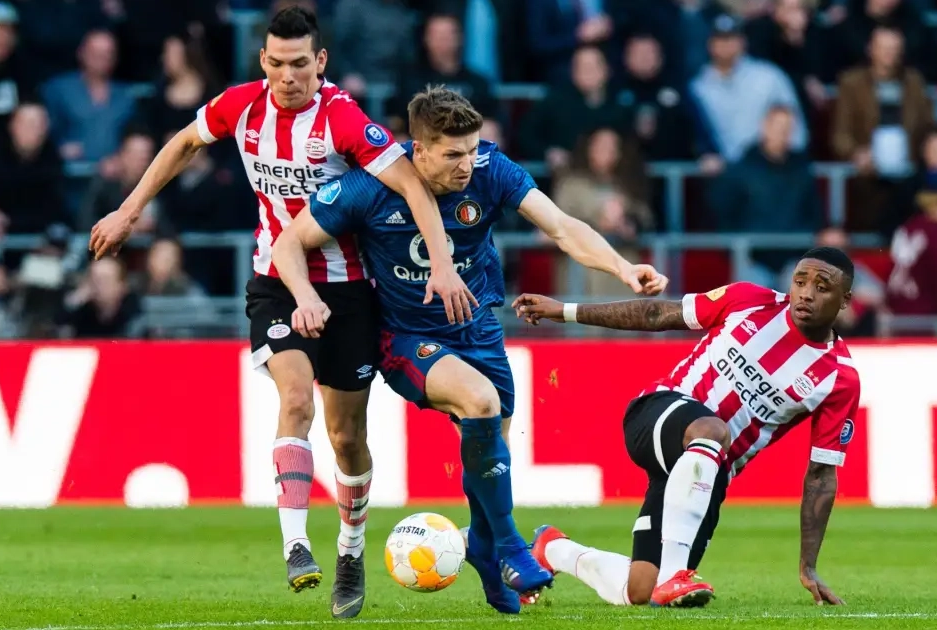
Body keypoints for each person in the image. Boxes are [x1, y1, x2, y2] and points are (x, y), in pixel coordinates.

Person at [86, 6, 475, 619]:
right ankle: (296, 546)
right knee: (294, 399)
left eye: (299, 64)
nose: (287, 76)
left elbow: (411, 184)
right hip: (276, 282)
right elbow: (184, 142)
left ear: (320, 62)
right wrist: (130, 209)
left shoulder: (343, 119)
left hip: (349, 291)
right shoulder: (240, 106)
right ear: (263, 60)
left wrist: (443, 265)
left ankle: (350, 549)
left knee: (347, 438)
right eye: (276, 63)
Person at [270, 86, 668, 614]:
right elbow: (287, 242)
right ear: (419, 149)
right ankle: (510, 546)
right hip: (405, 338)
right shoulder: (370, 185)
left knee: (492, 450)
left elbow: (562, 227)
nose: (467, 164)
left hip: (480, 331)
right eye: (453, 154)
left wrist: (622, 267)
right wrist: (304, 296)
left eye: (473, 149)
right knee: (480, 401)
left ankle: (482, 548)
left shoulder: (491, 170)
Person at [510, 247, 861, 609]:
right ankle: (675, 574)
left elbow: (821, 474)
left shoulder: (839, 379)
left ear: (845, 300)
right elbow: (656, 314)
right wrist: (564, 311)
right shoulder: (748, 301)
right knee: (713, 430)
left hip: (704, 477)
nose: (806, 293)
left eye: (822, 287)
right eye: (800, 281)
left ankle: (553, 549)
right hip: (659, 414)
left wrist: (808, 565)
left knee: (640, 591)